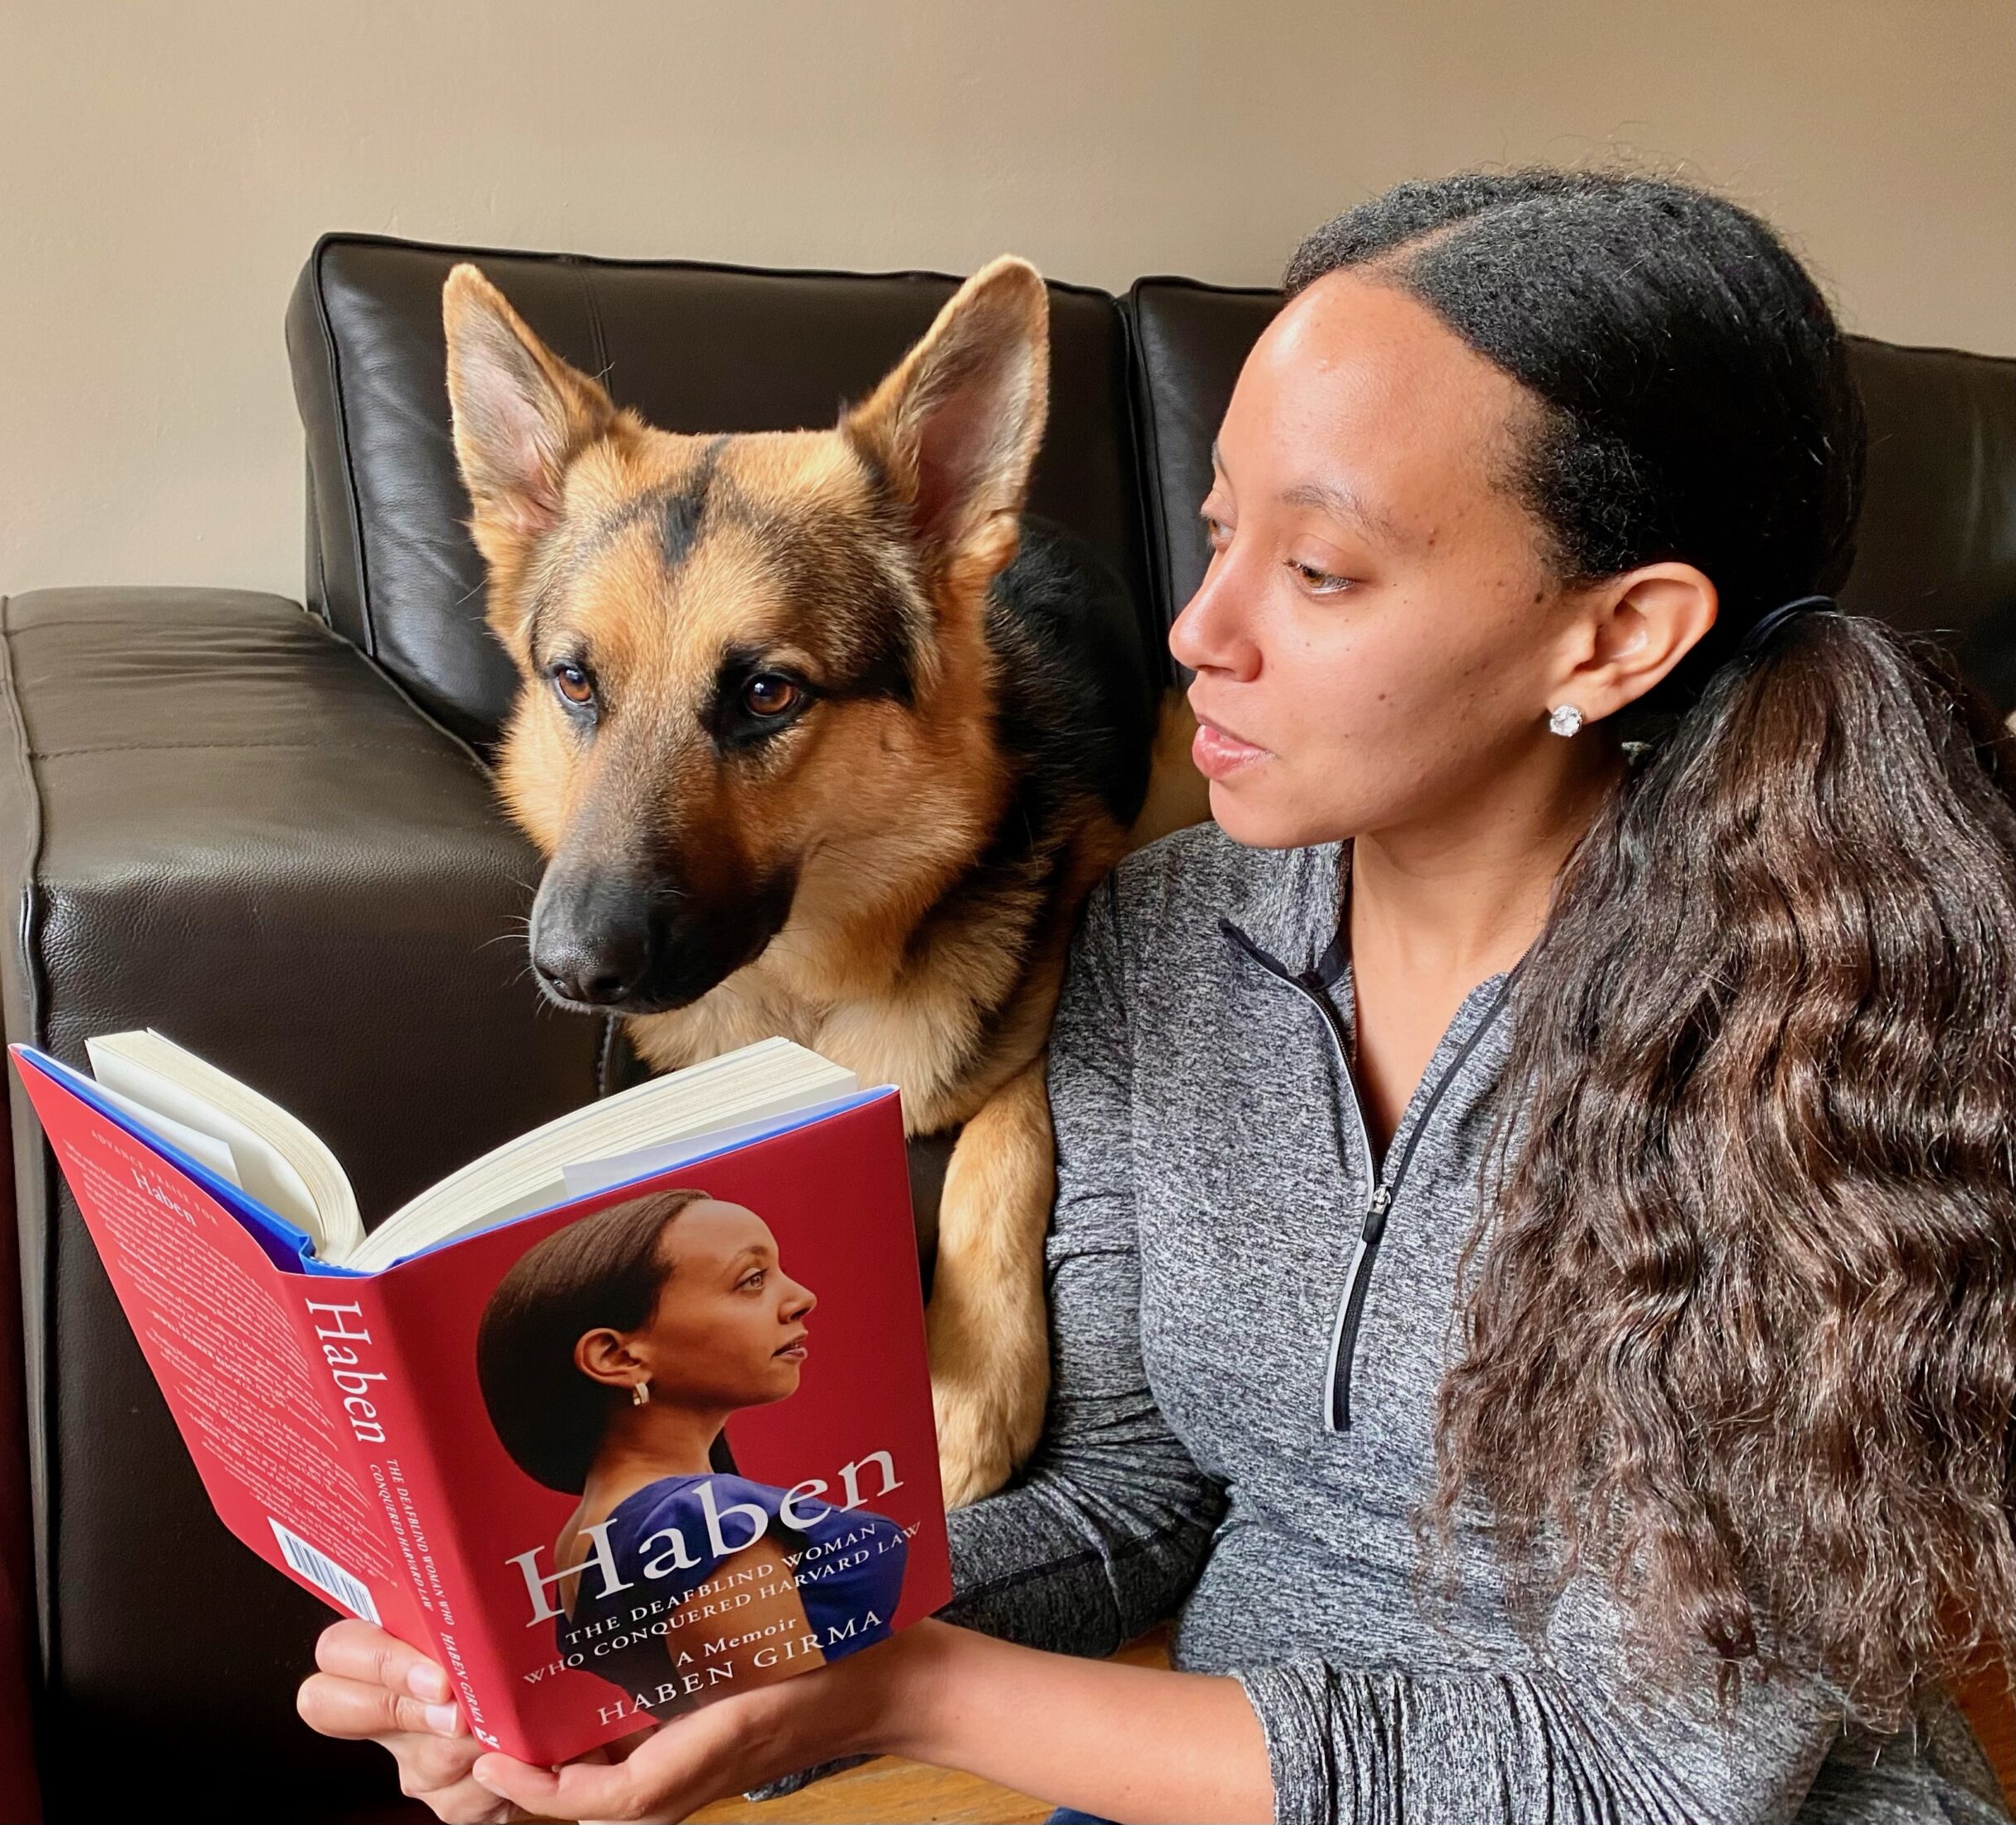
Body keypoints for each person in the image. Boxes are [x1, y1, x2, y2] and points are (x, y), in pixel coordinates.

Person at [294, 170, 2016, 1824]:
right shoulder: (1167, 939)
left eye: (1318, 570)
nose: (1195, 632)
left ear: (1612, 637)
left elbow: (1653, 1779)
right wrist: (643, 1648)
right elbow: (1129, 1499)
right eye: (1215, 537)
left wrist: (907, 1691)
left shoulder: (1800, 1037)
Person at [471, 1187, 908, 1718]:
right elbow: (793, 1741)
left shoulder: (585, 1535)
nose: (801, 1298)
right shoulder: (698, 1524)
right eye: (752, 1280)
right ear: (617, 1356)